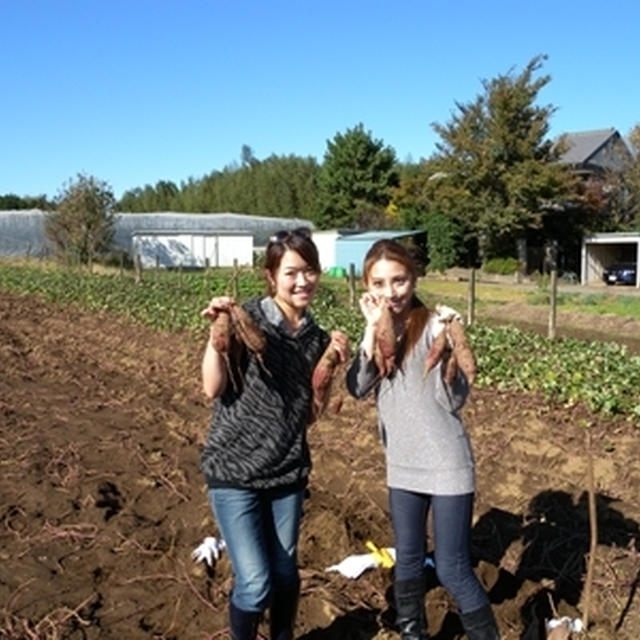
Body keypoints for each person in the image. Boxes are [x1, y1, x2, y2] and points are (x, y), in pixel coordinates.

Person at [199, 228, 349, 640]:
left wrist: (329, 369)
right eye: (292, 272)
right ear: (271, 276)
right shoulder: (247, 319)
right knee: (255, 581)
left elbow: (310, 416)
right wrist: (218, 334)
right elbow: (212, 388)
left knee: (285, 573)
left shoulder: (316, 339)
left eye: (310, 271)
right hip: (235, 472)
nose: (303, 281)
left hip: (287, 473)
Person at [346, 239, 499, 640]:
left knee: (451, 567)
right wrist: (371, 330)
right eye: (379, 283)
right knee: (410, 560)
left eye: (399, 281)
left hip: (447, 463)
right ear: (367, 286)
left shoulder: (435, 325)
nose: (390, 292)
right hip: (402, 465)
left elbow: (456, 397)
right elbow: (357, 388)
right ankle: (412, 635)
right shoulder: (378, 332)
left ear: (413, 279)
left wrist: (451, 348)